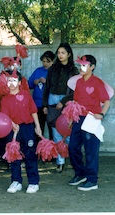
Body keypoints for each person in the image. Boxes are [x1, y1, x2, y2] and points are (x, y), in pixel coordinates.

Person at [68, 55, 110, 191]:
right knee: (72, 147)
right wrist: (70, 118)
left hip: (91, 119)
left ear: (92, 67)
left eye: (85, 65)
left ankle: (92, 180)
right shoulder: (79, 82)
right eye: (81, 65)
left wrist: (102, 114)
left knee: (91, 150)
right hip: (78, 119)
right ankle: (80, 174)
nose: (82, 67)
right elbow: (75, 103)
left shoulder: (97, 82)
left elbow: (107, 101)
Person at [0, 69, 42, 194]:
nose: (11, 83)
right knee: (13, 155)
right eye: (9, 81)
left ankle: (33, 182)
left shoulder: (26, 95)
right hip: (12, 130)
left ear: (19, 82)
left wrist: (37, 127)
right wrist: (12, 124)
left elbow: (33, 111)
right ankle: (16, 181)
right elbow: (4, 116)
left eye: (14, 81)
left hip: (27, 128)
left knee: (30, 154)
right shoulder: (5, 99)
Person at [42, 43, 78, 173]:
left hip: (67, 102)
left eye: (63, 52)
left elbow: (76, 91)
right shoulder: (52, 69)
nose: (60, 55)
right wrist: (45, 104)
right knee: (56, 133)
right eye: (59, 53)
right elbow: (46, 88)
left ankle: (73, 160)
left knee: (68, 133)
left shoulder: (74, 70)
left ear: (69, 54)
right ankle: (60, 162)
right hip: (52, 99)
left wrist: (63, 101)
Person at [28, 51, 55, 140]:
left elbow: (59, 87)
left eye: (48, 61)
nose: (45, 64)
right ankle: (39, 150)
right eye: (43, 61)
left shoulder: (55, 72)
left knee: (53, 130)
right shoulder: (38, 71)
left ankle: (52, 150)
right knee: (39, 129)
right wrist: (35, 81)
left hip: (50, 104)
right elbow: (29, 84)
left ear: (53, 61)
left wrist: (47, 82)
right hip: (37, 104)